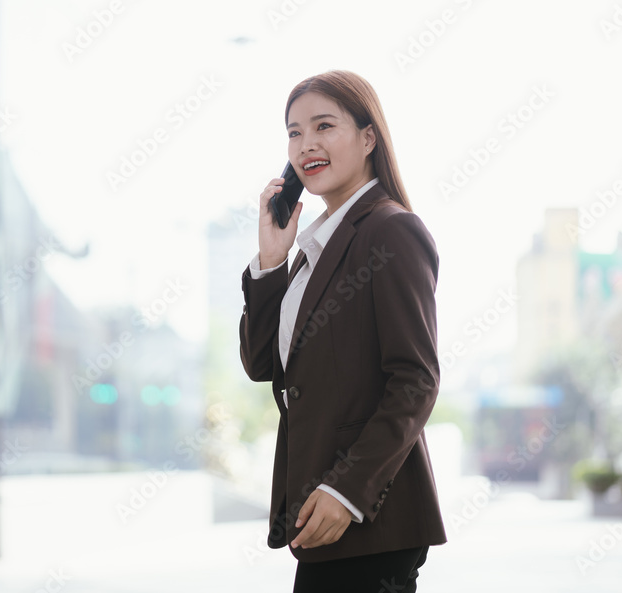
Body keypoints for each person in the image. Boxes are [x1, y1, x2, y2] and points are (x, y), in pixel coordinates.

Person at [238, 70, 447, 592]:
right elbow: (262, 365)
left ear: (368, 137)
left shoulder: (389, 230)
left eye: (324, 126)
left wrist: (348, 490)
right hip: (320, 522)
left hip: (367, 520)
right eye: (293, 132)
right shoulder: (314, 250)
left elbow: (415, 380)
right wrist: (271, 259)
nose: (306, 145)